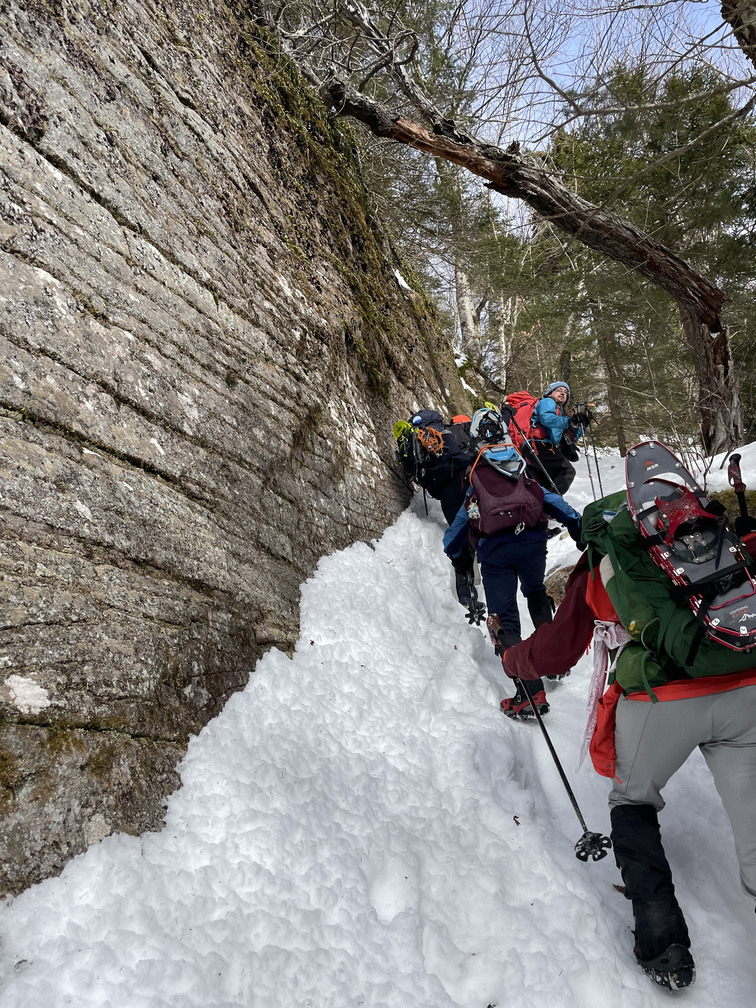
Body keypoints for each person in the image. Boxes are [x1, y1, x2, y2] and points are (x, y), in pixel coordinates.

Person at [500, 492, 756, 991]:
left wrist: (513, 661)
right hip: (747, 688)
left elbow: (556, 652)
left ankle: (663, 943)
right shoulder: (721, 540)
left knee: (633, 800)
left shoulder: (610, 559)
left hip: (663, 698)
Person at [443, 410, 583, 717]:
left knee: (504, 617)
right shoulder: (519, 465)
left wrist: (455, 556)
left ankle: (529, 694)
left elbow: (457, 529)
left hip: (495, 552)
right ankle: (554, 659)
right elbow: (551, 500)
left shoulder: (477, 473)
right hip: (533, 544)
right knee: (534, 592)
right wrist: (576, 526)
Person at [526, 381, 587, 494]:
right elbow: (547, 419)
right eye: (559, 390)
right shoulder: (547, 402)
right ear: (550, 393)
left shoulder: (558, 414)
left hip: (533, 449)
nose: (563, 393)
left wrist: (580, 426)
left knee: (546, 486)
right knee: (567, 471)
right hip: (538, 445)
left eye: (566, 392)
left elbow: (567, 439)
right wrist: (569, 421)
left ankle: (544, 509)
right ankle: (553, 506)